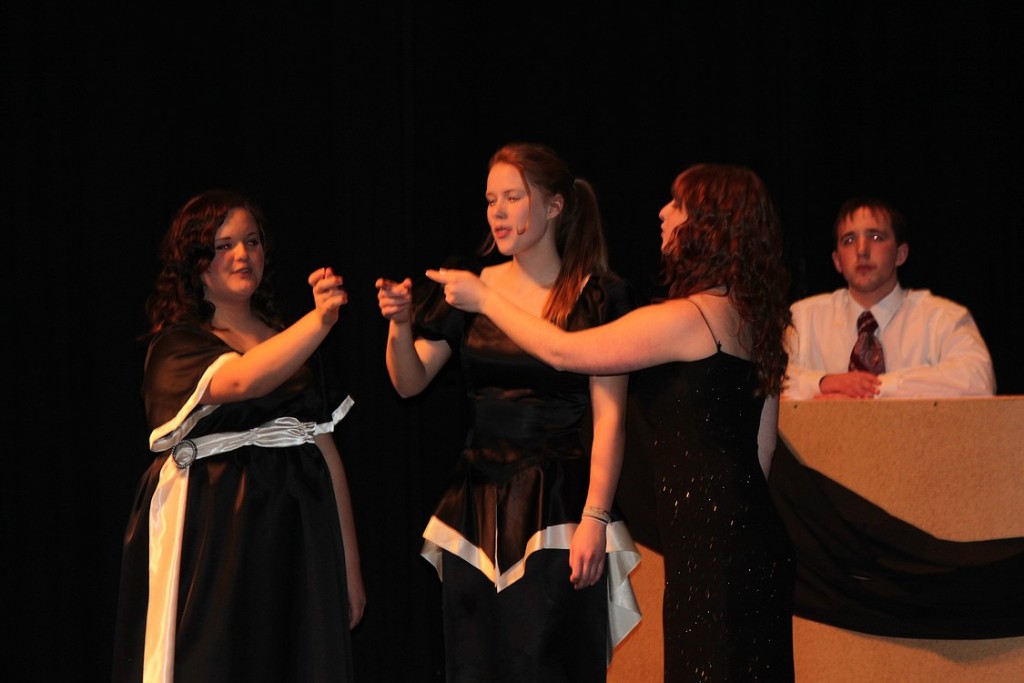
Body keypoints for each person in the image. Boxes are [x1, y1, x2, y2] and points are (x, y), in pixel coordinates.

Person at [428, 163, 797, 682]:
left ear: (710, 224)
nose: (663, 213)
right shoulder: (758, 321)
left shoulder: (688, 318)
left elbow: (564, 351)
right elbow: (761, 454)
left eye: (678, 204)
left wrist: (487, 299)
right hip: (754, 539)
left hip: (711, 551)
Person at [376, 142, 641, 682]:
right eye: (491, 199)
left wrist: (596, 516)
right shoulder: (470, 288)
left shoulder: (595, 295)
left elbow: (610, 417)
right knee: (474, 663)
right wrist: (400, 325)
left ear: (553, 207)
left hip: (557, 504)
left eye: (513, 197)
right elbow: (409, 382)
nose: (497, 211)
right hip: (475, 502)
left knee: (545, 662)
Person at [112, 189, 365, 683]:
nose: (243, 254)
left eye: (251, 241)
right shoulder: (178, 344)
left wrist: (348, 566)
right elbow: (243, 380)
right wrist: (319, 322)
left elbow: (324, 447)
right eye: (224, 245)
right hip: (213, 539)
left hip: (296, 536)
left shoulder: (290, 342)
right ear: (196, 261)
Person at [783, 197, 996, 399]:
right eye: (849, 240)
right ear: (837, 261)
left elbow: (978, 381)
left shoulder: (943, 318)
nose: (862, 250)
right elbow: (769, 382)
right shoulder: (803, 318)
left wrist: (874, 389)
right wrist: (824, 383)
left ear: (900, 254)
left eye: (876, 237)